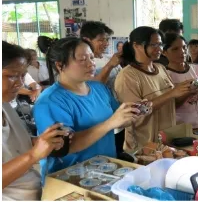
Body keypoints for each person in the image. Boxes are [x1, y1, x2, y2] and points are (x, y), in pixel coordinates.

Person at [33, 36, 145, 177]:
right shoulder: (50, 102)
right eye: (82, 59)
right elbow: (65, 146)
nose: (91, 64)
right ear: (60, 65)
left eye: (92, 58)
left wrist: (135, 112)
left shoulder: (98, 88)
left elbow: (119, 119)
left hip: (105, 171)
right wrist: (110, 123)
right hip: (70, 176)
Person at [2, 41, 69, 201]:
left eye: (22, 75)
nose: (19, 83)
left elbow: (10, 147)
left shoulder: (5, 105)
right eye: (11, 76)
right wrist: (33, 155)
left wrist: (41, 141)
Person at [114, 26, 193, 150]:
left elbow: (171, 104)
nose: (159, 49)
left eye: (160, 44)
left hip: (168, 142)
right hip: (143, 147)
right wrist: (172, 93)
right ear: (136, 46)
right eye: (153, 45)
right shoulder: (127, 76)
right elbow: (136, 113)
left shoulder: (161, 68)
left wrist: (188, 91)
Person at [80, 21, 126, 156]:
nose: (105, 43)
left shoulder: (107, 58)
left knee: (116, 150)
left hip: (114, 111)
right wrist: (110, 66)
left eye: (106, 39)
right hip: (99, 116)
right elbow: (94, 87)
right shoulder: (85, 64)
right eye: (101, 40)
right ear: (86, 40)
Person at [163, 33, 198, 129]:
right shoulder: (165, 75)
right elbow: (170, 107)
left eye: (184, 47)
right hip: (178, 127)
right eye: (175, 49)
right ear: (164, 52)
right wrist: (189, 91)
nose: (182, 52)